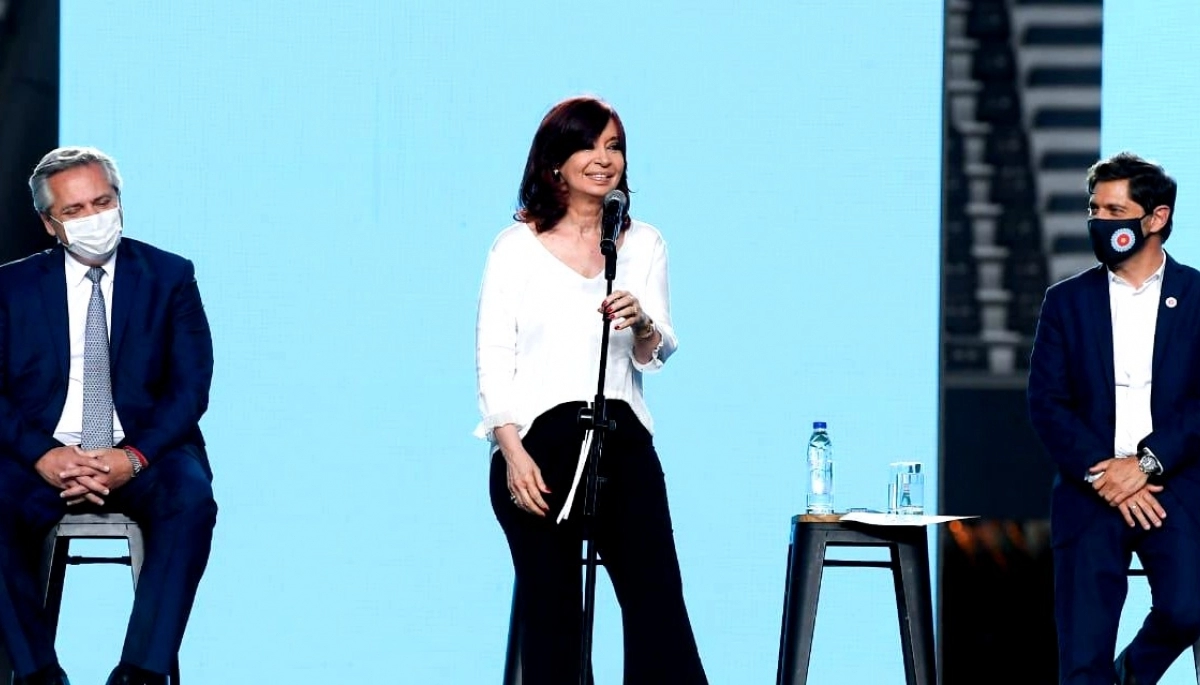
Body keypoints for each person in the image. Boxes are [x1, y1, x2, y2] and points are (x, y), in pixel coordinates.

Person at [475, 96, 707, 684]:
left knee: (659, 614)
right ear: (555, 162)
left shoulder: (643, 243)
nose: (604, 160)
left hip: (621, 444)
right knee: (555, 623)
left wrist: (644, 322)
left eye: (614, 147)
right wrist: (512, 451)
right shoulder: (515, 248)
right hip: (540, 450)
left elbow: (656, 352)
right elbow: (494, 357)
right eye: (588, 146)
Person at [0, 147, 217, 685]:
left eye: (104, 201)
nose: (94, 218)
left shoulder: (170, 276)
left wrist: (133, 458)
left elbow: (190, 389)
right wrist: (44, 455)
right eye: (75, 210)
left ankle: (140, 673)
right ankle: (37, 674)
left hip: (145, 452)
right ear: (51, 225)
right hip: (44, 455)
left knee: (191, 500)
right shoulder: (10, 287)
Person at [1029, 152, 1200, 684]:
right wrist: (1108, 474)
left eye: (1115, 209)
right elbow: (1047, 402)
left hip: (1174, 486)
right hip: (1092, 490)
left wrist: (1146, 464)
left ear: (1156, 218)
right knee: (1082, 653)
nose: (1100, 222)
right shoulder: (1066, 302)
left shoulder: (1198, 297)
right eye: (1094, 209)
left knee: (1188, 608)